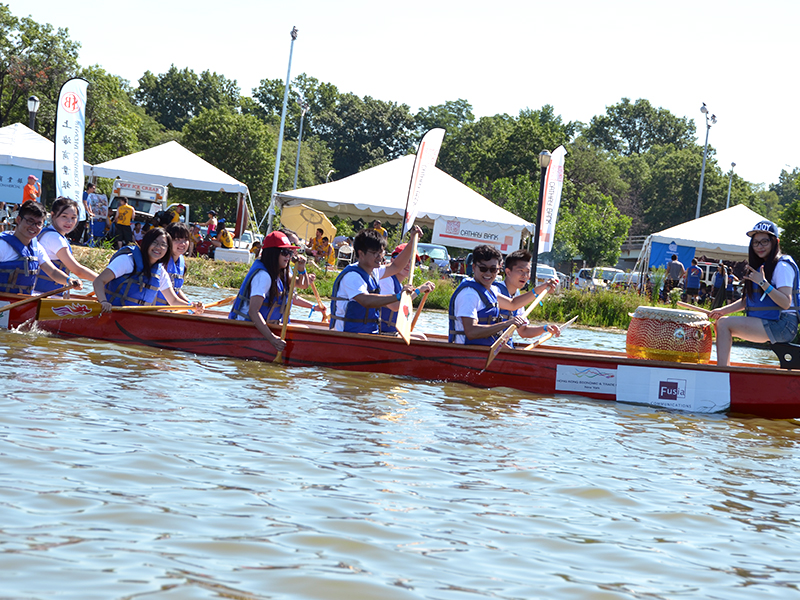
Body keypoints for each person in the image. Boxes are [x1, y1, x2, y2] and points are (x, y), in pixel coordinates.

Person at [709, 220, 799, 367]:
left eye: (764, 241)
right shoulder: (762, 266)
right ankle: (723, 367)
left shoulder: (782, 266)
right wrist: (721, 310)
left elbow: (785, 302)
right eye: (756, 242)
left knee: (724, 324)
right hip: (773, 321)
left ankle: (722, 371)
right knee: (721, 321)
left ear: (775, 242)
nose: (759, 246)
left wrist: (763, 283)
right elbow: (748, 301)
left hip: (784, 324)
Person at [228, 231, 324, 351]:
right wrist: (272, 338)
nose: (288, 256)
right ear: (272, 254)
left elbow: (302, 285)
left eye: (289, 252)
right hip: (246, 328)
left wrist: (302, 269)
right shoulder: (263, 276)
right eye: (284, 252)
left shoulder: (280, 273)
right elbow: (253, 311)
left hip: (265, 327)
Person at [448, 245, 558, 346]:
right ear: (473, 268)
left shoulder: (491, 291)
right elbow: (471, 332)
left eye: (493, 269)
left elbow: (513, 304)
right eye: (483, 268)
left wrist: (540, 289)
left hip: (485, 351)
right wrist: (507, 323)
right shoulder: (469, 294)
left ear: (498, 269)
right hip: (469, 353)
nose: (488, 273)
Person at [329, 227, 421, 334]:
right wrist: (398, 296)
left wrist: (412, 242)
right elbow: (366, 300)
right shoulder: (352, 276)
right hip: (348, 334)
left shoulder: (374, 271)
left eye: (381, 252)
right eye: (375, 253)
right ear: (361, 253)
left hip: (369, 333)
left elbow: (396, 266)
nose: (380, 257)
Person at [93, 227, 202, 313]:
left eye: (163, 245)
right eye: (155, 242)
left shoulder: (160, 272)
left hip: (135, 317)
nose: (159, 247)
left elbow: (173, 300)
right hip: (112, 311)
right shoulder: (128, 260)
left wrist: (192, 307)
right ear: (146, 243)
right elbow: (98, 281)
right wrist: (103, 302)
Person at [0, 201, 81, 295]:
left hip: (23, 303)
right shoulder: (2, 245)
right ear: (18, 220)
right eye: (30, 221)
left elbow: (53, 272)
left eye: (39, 224)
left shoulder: (37, 247)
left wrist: (69, 280)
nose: (34, 227)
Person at [35, 197, 99, 295]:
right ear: (53, 215)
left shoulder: (47, 233)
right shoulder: (54, 238)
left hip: (43, 293)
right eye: (64, 216)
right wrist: (102, 280)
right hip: (44, 296)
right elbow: (77, 270)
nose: (69, 222)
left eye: (73, 217)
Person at [495, 249, 562, 343]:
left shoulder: (518, 296)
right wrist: (539, 289)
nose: (525, 275)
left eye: (527, 271)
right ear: (508, 272)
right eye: (521, 271)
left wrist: (546, 328)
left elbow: (523, 331)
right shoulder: (494, 291)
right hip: (490, 346)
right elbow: (512, 304)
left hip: (505, 347)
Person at [378, 246, 435, 338]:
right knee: (419, 340)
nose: (409, 264)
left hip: (392, 332)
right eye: (405, 260)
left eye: (412, 261)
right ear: (393, 260)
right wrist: (418, 290)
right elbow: (395, 306)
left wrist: (418, 290)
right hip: (382, 333)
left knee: (421, 336)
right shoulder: (386, 279)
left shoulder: (399, 285)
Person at [154, 223, 192, 305]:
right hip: (153, 309)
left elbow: (176, 290)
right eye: (177, 239)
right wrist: (189, 306)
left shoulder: (181, 262)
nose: (182, 243)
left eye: (185, 239)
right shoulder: (160, 261)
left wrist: (190, 303)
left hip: (169, 309)